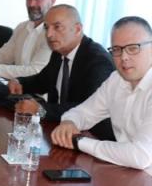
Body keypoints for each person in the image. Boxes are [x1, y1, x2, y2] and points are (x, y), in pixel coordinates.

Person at [51, 16, 152, 175]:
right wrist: (69, 123)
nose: (124, 57)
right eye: (117, 49)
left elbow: (140, 155)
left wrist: (79, 142)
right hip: (126, 173)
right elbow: (83, 112)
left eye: (133, 48)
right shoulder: (116, 80)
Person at [9, 4, 115, 139]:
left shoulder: (98, 61)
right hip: (58, 131)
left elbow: (88, 108)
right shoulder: (59, 52)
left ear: (77, 29)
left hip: (90, 137)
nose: (49, 34)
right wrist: (20, 82)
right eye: (46, 27)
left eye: (57, 27)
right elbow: (42, 81)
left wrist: (40, 110)